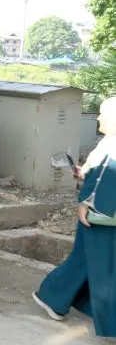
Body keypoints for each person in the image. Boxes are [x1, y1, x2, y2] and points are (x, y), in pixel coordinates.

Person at [33, 97, 116, 338]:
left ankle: (53, 296)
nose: (99, 118)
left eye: (102, 114)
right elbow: (98, 174)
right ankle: (54, 298)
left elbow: (106, 178)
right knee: (91, 259)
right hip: (107, 213)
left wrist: (86, 202)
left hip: (101, 213)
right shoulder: (108, 142)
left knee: (95, 262)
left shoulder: (112, 144)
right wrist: (83, 174)